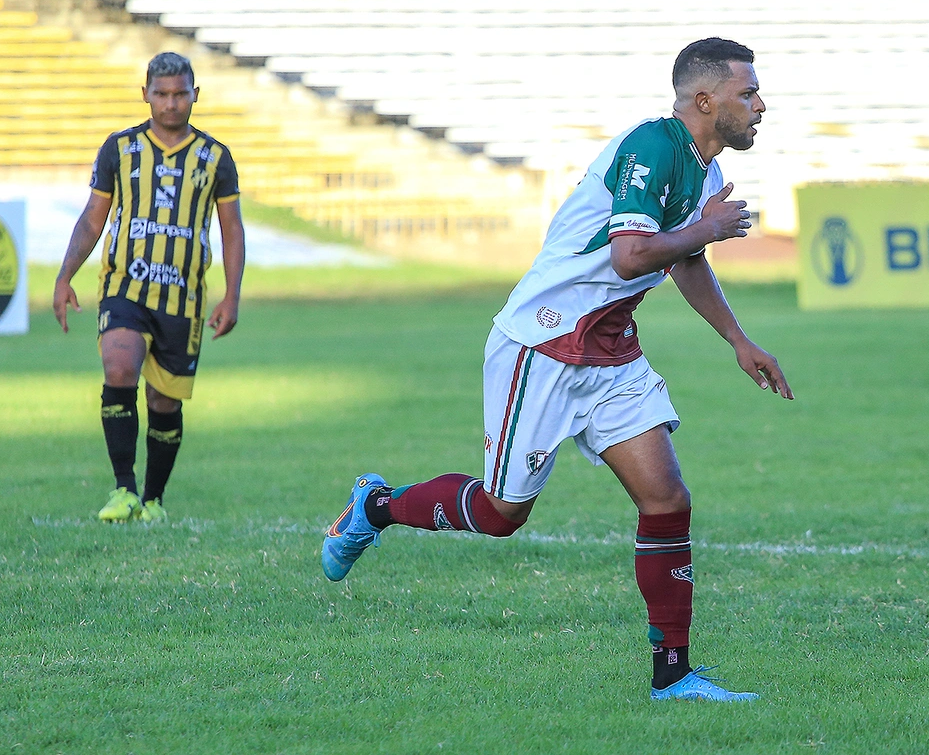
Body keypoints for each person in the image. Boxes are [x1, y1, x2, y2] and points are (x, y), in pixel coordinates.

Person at [321, 37, 792, 702]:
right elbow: (632, 256)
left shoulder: (707, 173)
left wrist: (737, 340)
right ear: (706, 99)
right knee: (500, 512)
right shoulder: (652, 148)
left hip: (610, 353)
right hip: (542, 347)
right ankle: (376, 507)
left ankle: (673, 676)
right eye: (749, 93)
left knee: (667, 499)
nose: (761, 105)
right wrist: (705, 231)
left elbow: (684, 261)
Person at [53, 52, 245, 524]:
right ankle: (125, 490)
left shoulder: (216, 158)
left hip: (185, 298)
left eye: (180, 94)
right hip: (125, 287)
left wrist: (232, 294)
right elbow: (93, 218)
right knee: (119, 367)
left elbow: (232, 230)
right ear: (145, 95)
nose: (171, 104)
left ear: (195, 95)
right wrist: (64, 276)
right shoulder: (119, 149)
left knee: (164, 401)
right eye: (161, 94)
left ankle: (154, 500)